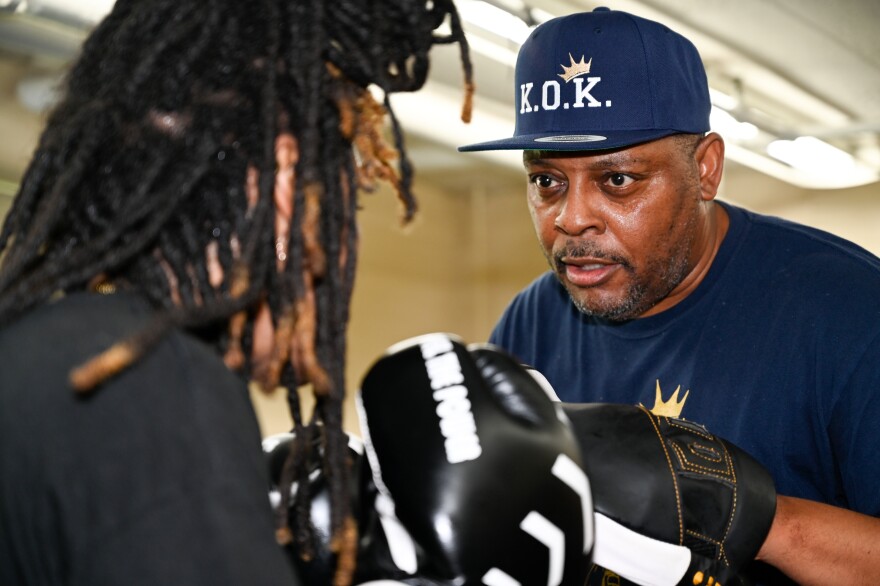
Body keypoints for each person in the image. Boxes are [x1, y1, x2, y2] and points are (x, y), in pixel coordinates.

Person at [0, 0, 473, 584]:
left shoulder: (39, 348)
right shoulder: (152, 386)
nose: (346, 244)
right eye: (345, 204)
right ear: (285, 190)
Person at [459, 7, 880, 585]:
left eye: (619, 180)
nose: (572, 219)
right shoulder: (533, 320)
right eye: (546, 181)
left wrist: (769, 521)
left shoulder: (851, 313)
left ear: (706, 169)